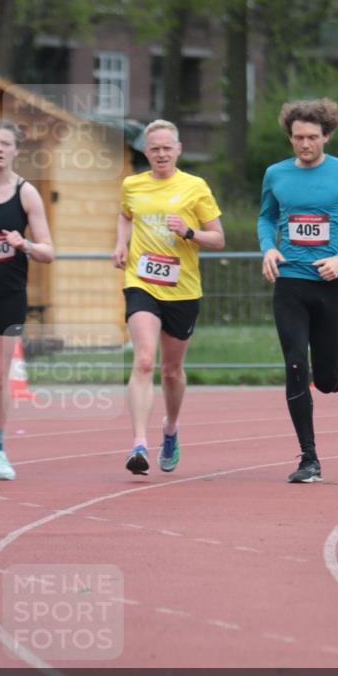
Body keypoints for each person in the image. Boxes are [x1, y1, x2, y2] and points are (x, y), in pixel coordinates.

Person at [257, 98, 338, 483]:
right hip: (289, 281)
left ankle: (332, 375)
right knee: (295, 364)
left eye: (312, 137)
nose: (304, 144)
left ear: (326, 136)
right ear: (290, 138)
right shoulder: (275, 174)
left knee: (325, 379)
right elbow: (265, 217)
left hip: (329, 283)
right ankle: (309, 458)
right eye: (297, 138)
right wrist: (268, 247)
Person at [112, 119, 224, 475]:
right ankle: (139, 444)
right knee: (144, 360)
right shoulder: (132, 184)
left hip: (182, 289)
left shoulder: (195, 187)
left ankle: (170, 429)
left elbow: (218, 239)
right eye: (154, 148)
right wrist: (121, 242)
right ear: (146, 151)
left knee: (172, 371)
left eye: (167, 148)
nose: (161, 154)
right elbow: (125, 215)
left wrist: (189, 232)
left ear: (178, 150)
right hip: (141, 282)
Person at [0, 120, 54, 480]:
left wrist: (25, 245)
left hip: (9, 293)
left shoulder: (26, 193)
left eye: (6, 143)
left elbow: (48, 252)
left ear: (16, 150)